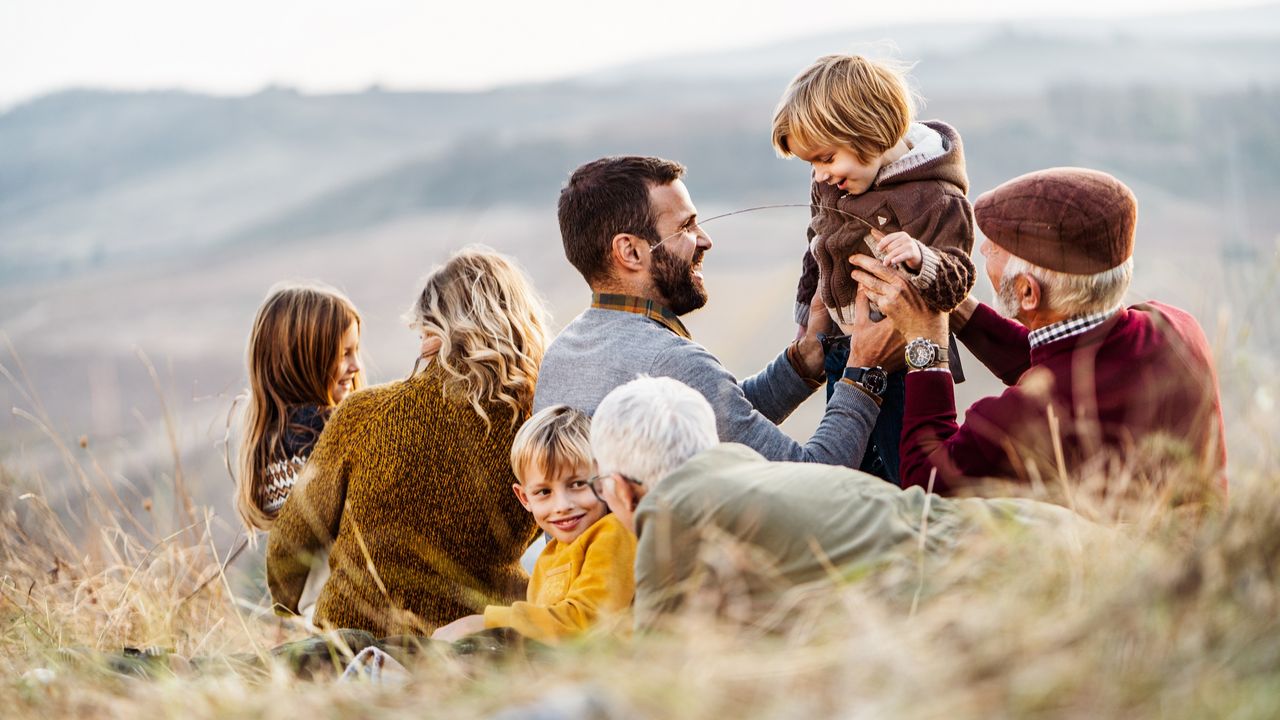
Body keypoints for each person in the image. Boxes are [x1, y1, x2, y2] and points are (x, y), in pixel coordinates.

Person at [850, 167, 1228, 500]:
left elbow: (926, 479)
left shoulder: (1035, 414)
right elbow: (1059, 358)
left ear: (1028, 292)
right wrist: (953, 305)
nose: (982, 248)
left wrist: (925, 338)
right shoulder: (1174, 325)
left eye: (994, 249)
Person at [589, 376, 1077, 630]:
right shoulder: (749, 479)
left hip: (1015, 581)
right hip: (1039, 536)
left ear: (619, 488)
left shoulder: (673, 508)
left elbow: (655, 671)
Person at [534, 155, 899, 469]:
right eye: (686, 226)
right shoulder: (672, 363)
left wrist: (801, 364)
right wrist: (865, 372)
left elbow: (721, 422)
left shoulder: (562, 354)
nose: (706, 239)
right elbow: (812, 479)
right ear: (630, 252)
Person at [267, 247, 548, 636]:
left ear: (436, 331)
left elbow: (291, 544)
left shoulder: (362, 413)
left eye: (423, 331)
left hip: (352, 642)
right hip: (474, 640)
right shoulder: (537, 428)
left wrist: (284, 615)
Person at [771, 53, 977, 485]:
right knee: (851, 482)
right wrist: (807, 325)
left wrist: (923, 259)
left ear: (869, 130)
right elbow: (817, 249)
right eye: (812, 164)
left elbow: (957, 280)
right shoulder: (834, 183)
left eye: (826, 158)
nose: (822, 175)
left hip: (906, 362)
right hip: (845, 354)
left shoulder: (936, 196)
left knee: (909, 482)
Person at [432, 405, 636, 644]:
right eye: (544, 491)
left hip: (598, 668)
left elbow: (587, 621)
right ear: (524, 498)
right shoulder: (550, 555)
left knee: (461, 648)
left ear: (604, 480)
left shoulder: (613, 533)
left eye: (577, 484)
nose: (562, 505)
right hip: (548, 667)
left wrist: (484, 622)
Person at [234, 282, 365, 621]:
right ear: (304, 360)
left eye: (356, 352)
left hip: (309, 612)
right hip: (344, 609)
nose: (356, 366)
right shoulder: (319, 432)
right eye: (344, 354)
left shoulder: (272, 437)